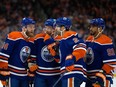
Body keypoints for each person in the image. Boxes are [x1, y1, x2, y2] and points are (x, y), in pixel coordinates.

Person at [48, 17, 87, 87]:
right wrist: (54, 54)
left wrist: (72, 58)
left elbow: (81, 46)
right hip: (69, 73)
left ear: (63, 28)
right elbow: (62, 60)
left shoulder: (68, 35)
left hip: (72, 73)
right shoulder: (63, 40)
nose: (55, 28)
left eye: (57, 26)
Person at [0, 17, 37, 87]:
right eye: (30, 27)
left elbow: (31, 59)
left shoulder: (32, 41)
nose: (33, 29)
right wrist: (3, 76)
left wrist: (31, 74)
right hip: (12, 74)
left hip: (24, 75)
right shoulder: (14, 36)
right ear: (24, 28)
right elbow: (3, 56)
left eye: (33, 27)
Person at [85, 18, 116, 87]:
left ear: (100, 28)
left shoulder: (106, 41)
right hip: (89, 78)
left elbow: (111, 62)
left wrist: (101, 74)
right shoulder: (89, 39)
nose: (90, 28)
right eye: (90, 26)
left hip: (101, 79)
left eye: (93, 26)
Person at [34, 18, 61, 87]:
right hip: (40, 75)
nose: (46, 29)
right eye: (46, 27)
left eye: (49, 28)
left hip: (55, 75)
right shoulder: (38, 38)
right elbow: (33, 53)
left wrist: (49, 41)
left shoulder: (61, 39)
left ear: (54, 29)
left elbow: (58, 58)